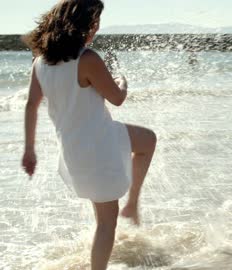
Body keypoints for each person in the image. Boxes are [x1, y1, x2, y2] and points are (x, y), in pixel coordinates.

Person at [21, 1, 157, 269]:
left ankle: (133, 203)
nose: (97, 27)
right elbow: (117, 99)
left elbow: (31, 105)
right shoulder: (87, 58)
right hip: (99, 146)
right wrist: (122, 82)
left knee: (147, 140)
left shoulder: (40, 63)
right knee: (106, 224)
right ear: (81, 24)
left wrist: (29, 149)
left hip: (77, 147)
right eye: (94, 21)